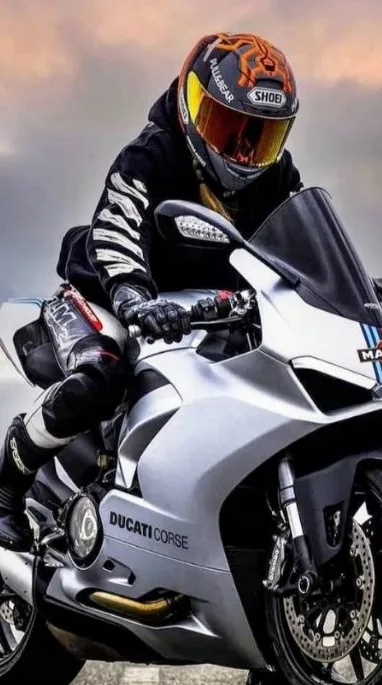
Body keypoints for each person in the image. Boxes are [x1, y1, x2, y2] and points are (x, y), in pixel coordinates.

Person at [0, 32, 302, 551]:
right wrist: (136, 299)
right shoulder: (153, 154)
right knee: (103, 374)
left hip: (203, 312)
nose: (244, 152)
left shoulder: (277, 177)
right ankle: (8, 480)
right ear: (190, 108)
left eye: (262, 137)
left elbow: (302, 246)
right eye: (228, 128)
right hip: (103, 296)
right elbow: (115, 231)